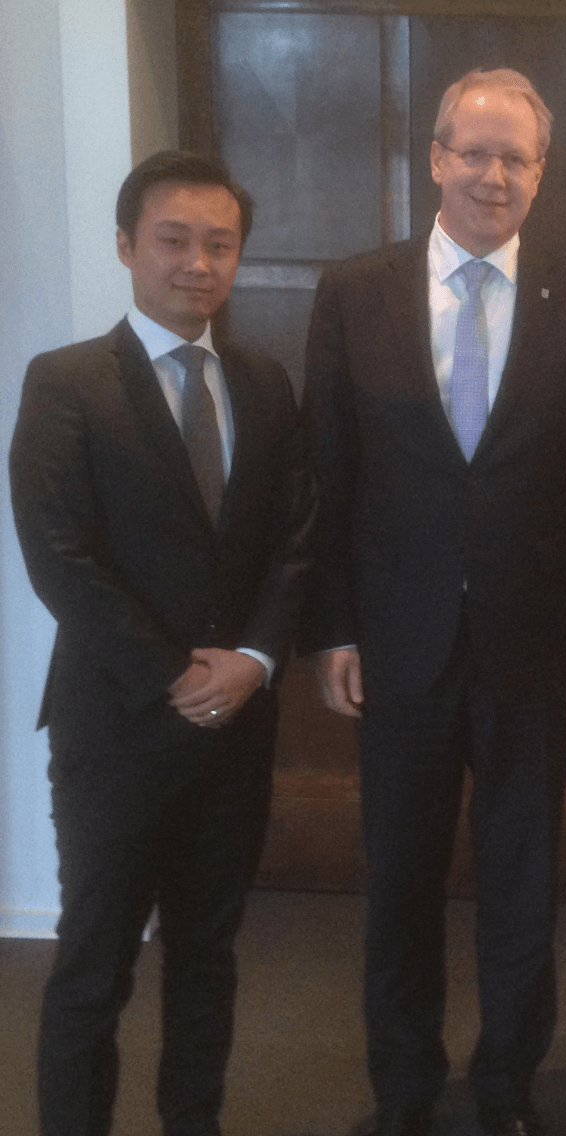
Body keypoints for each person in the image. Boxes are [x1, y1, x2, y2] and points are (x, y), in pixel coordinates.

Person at [301, 70, 566, 1136]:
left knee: (522, 880)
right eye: (475, 152)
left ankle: (504, 1088)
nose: (494, 175)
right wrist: (332, 626)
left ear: (541, 172)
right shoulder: (354, 289)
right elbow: (327, 474)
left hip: (534, 647)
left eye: (516, 158)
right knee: (400, 880)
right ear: (437, 158)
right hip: (396, 644)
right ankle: (404, 1089)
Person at [10, 150, 314, 1136]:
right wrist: (174, 673)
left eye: (219, 244)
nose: (197, 262)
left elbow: (296, 540)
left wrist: (255, 660)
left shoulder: (264, 383)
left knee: (208, 956)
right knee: (94, 962)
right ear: (125, 246)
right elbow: (59, 555)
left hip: (236, 726)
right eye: (173, 240)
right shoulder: (66, 381)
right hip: (116, 724)